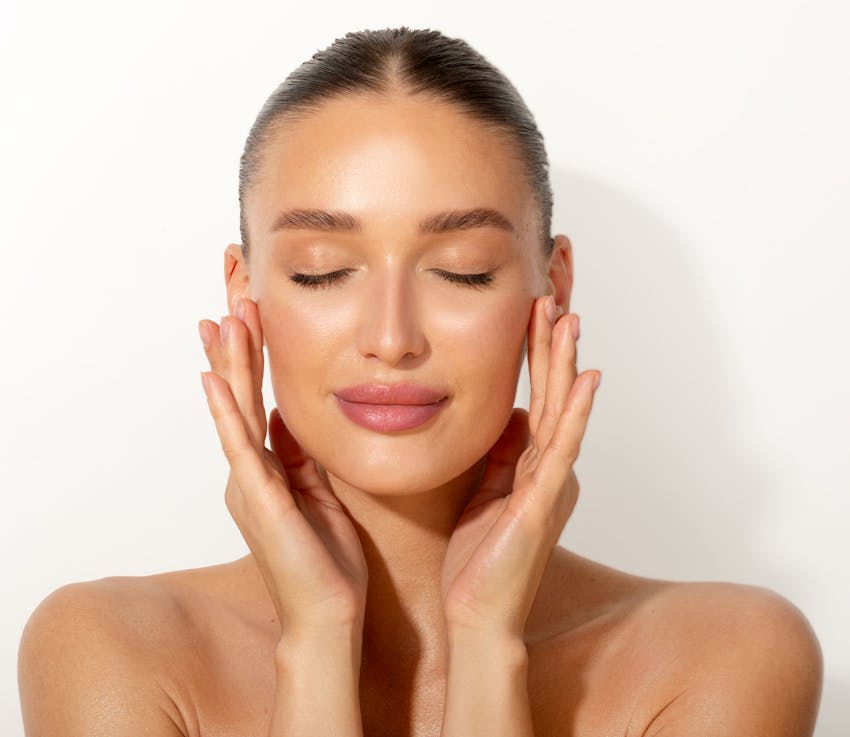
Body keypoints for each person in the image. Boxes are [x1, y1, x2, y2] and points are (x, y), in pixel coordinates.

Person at [18, 27, 822, 737]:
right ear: (244, 294)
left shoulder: (722, 656)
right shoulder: (111, 650)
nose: (392, 339)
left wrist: (485, 642)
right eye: (322, 271)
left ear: (554, 289)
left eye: (462, 272)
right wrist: (317, 641)